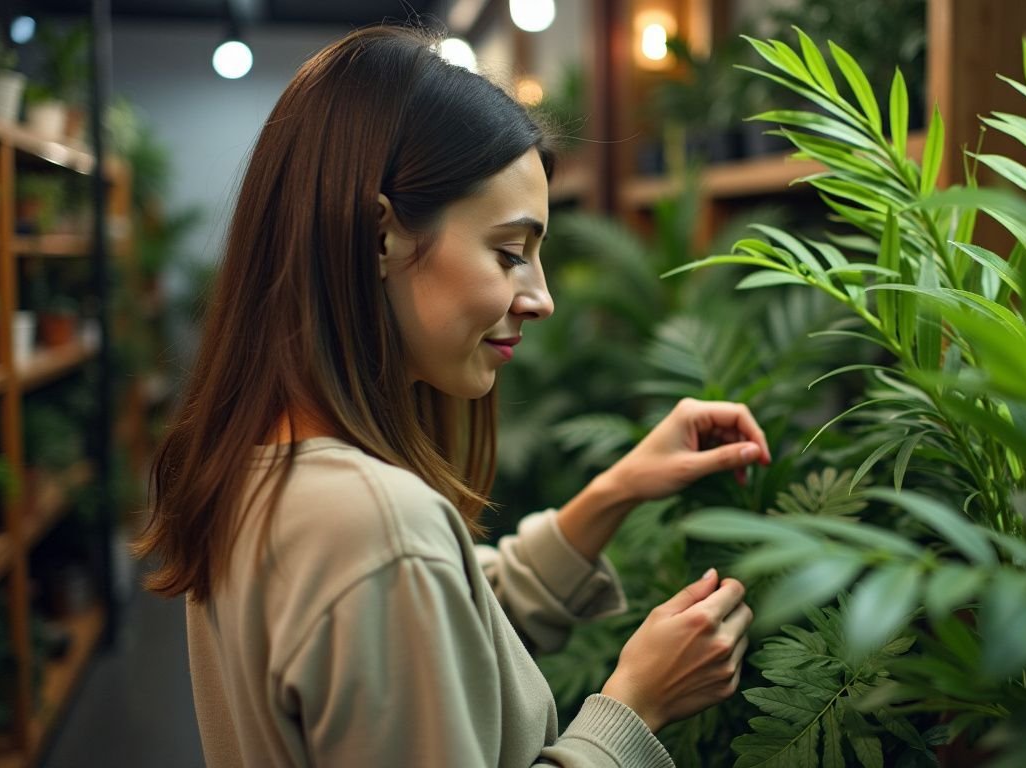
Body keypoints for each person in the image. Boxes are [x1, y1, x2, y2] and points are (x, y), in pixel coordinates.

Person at [133, 25, 773, 768]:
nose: (541, 299)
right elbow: (406, 592)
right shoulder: (375, 528)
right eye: (509, 253)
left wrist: (614, 491)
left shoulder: (262, 468)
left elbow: (424, 653)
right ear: (381, 238)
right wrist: (635, 706)